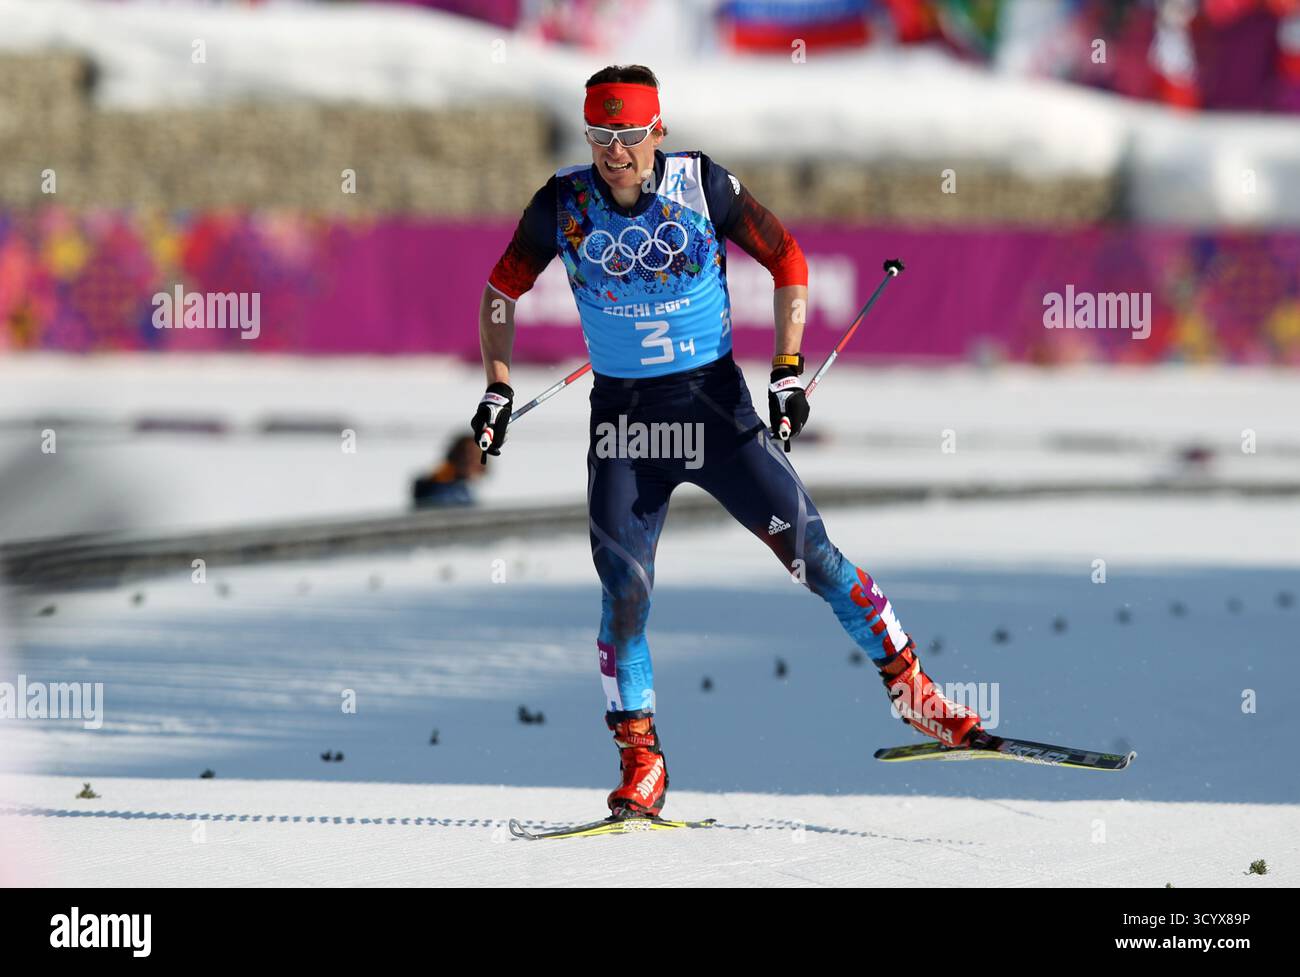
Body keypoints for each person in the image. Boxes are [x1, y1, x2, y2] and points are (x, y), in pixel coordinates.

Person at [471, 64, 983, 819]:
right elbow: (500, 289)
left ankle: (915, 693)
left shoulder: (701, 185)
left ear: (659, 132)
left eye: (631, 136)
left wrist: (785, 370)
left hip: (715, 412)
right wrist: (497, 384)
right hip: (625, 423)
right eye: (602, 136)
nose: (616, 152)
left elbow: (788, 259)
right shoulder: (562, 203)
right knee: (625, 591)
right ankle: (641, 760)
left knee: (816, 558)